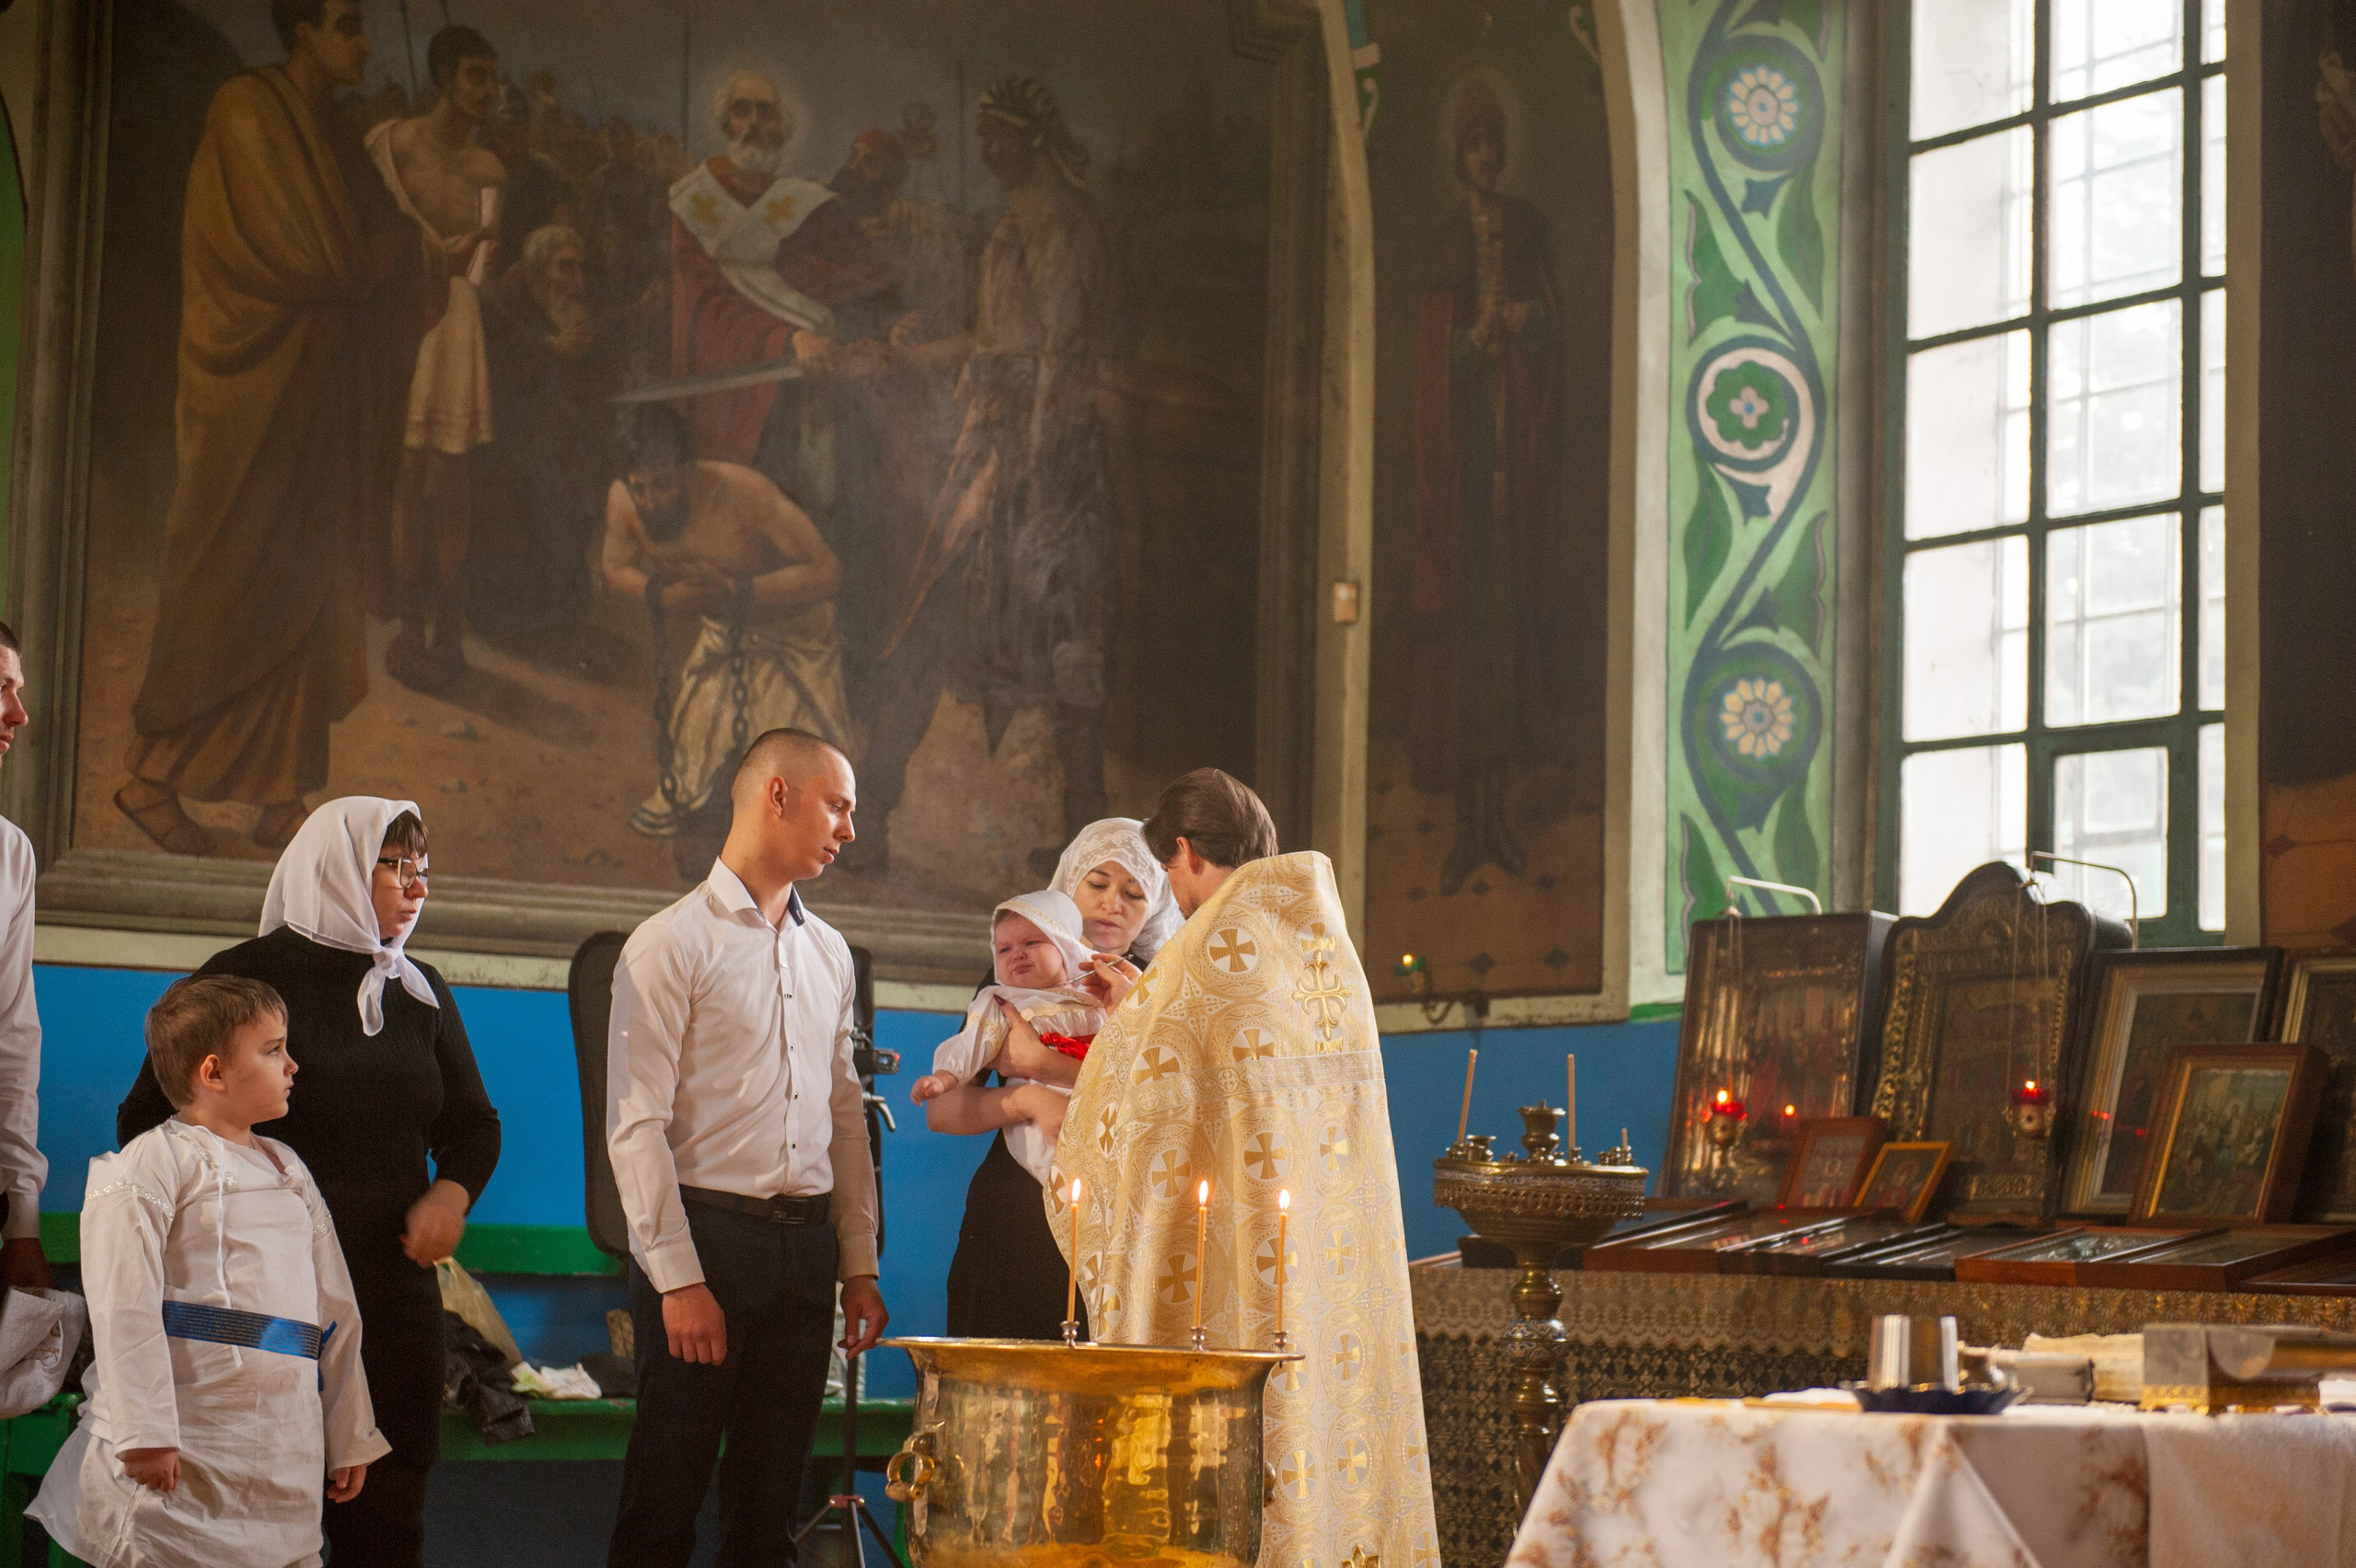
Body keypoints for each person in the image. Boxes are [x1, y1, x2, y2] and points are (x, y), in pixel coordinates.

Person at [1054, 768, 1438, 1568]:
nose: (1173, 899)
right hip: (1328, 1279)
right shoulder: (1328, 955)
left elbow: (1134, 1120)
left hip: (1228, 1289)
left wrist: (1132, 1023)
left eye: (1166, 876)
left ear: (1184, 853)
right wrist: (1143, 1012)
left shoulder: (1200, 963)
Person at [118, 797, 502, 1567]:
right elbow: (145, 1123)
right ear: (340, 868)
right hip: (259, 1317)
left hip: (390, 1304)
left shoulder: (418, 990)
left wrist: (451, 1193)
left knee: (387, 1531)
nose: (419, 889)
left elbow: (475, 1125)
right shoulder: (244, 977)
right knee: (253, 1538)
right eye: (399, 869)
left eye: (425, 871)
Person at [114, 0, 443, 858]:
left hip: (316, 400)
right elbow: (303, 252)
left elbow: (379, 239)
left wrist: (404, 249)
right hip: (253, 395)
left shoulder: (330, 125)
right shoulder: (248, 110)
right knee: (232, 575)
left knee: (304, 582)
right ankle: (149, 776)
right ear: (302, 31)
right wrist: (381, 256)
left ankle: (278, 798)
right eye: (346, 24)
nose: (363, 43)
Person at [605, 727, 889, 1566]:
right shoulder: (668, 944)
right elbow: (635, 1126)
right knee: (664, 1504)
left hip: (805, 1255)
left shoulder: (829, 952)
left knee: (769, 1518)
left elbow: (844, 1115)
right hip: (706, 1244)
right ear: (778, 796)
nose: (848, 831)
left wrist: (858, 1263)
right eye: (837, 807)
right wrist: (680, 1281)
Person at [860, 76, 1119, 881]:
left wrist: (1040, 479)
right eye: (982, 134)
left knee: (1057, 644)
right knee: (939, 619)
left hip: (1038, 461)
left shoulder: (1052, 219)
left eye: (999, 134)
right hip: (999, 441)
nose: (988, 149)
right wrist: (914, 352)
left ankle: (1089, 849)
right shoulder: (1019, 215)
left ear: (1029, 139)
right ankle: (870, 817)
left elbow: (1058, 354)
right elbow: (992, 339)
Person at [34, 976, 387, 1565]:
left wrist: (349, 1428)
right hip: (185, 1448)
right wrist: (144, 1433)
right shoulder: (153, 1162)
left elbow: (336, 1309)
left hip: (280, 1445)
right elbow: (124, 1300)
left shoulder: (288, 1169)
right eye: (273, 1050)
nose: (292, 1064)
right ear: (214, 1073)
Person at [1413, 80, 1573, 894]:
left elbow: (1553, 322)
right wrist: (1472, 345)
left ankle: (1500, 819)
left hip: (1519, 471)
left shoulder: (1530, 230)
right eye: (1472, 144)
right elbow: (1433, 364)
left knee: (1508, 650)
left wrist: (1527, 326)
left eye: (1492, 144)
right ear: (1458, 156)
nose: (1484, 157)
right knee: (1470, 650)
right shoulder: (1445, 239)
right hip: (1467, 477)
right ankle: (1468, 822)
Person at [600, 403, 853, 853]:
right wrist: (661, 594)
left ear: (687, 471)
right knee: (692, 782)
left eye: (662, 484)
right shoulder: (625, 500)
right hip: (723, 641)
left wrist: (742, 590)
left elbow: (828, 571)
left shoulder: (743, 493)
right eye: (639, 488)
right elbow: (615, 568)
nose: (649, 501)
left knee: (796, 797)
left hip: (793, 640)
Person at [367, 24, 508, 692]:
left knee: (451, 481)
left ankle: (449, 624)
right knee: (404, 474)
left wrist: (473, 262)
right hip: (401, 321)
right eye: (475, 76)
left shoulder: (489, 170)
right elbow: (365, 237)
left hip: (456, 325)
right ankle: (408, 625)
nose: (488, 90)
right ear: (444, 78)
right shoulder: (391, 146)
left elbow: (480, 268)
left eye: (492, 77)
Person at [914, 890, 1106, 1340]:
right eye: (1098, 884)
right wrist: (1028, 1100)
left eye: (1135, 891)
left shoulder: (1130, 988)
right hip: (1017, 1212)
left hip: (1111, 1202)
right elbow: (943, 1109)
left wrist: (1042, 1065)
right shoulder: (1009, 996)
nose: (1114, 903)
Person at [473, 223, 619, 638]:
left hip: (552, 435)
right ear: (538, 273)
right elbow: (497, 369)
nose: (577, 281)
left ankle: (558, 603)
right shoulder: (498, 302)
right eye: (565, 269)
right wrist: (550, 349)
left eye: (580, 269)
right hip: (500, 437)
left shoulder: (572, 308)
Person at [0, 628, 47, 1292]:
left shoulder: (11, 856)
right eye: (0, 689)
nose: (18, 713)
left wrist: (24, 1223)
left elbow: (12, 1043)